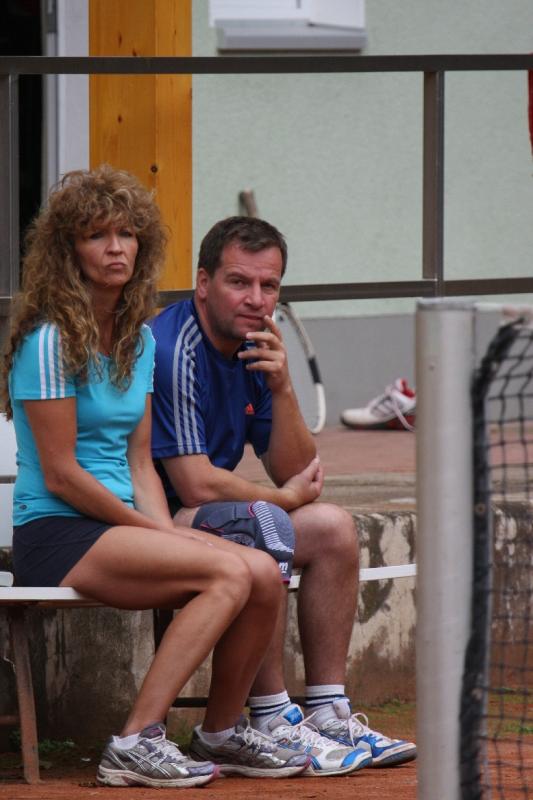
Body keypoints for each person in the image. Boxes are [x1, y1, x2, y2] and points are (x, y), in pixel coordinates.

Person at [0, 170, 311, 789]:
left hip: (121, 527)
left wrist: (164, 528)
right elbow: (62, 474)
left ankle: (221, 733)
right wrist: (157, 531)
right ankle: (134, 740)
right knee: (227, 572)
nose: (115, 248)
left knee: (262, 570)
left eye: (126, 234)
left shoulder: (137, 341)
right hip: (58, 532)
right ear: (69, 251)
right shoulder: (48, 342)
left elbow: (140, 461)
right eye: (97, 235)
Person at [150, 216, 417, 775]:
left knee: (333, 528)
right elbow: (194, 482)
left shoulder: (256, 345)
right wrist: (282, 499)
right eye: (238, 282)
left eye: (268, 286)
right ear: (203, 283)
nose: (256, 299)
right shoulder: (175, 347)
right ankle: (272, 716)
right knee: (260, 522)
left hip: (206, 516)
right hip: (149, 522)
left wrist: (282, 384)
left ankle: (326, 712)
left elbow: (299, 470)